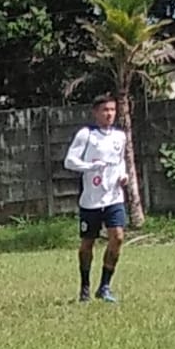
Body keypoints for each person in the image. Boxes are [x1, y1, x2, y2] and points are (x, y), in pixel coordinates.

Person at [63, 95, 128, 303]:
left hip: (114, 197)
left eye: (112, 110)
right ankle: (84, 287)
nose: (109, 114)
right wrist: (89, 167)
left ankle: (105, 286)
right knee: (87, 244)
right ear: (96, 112)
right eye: (105, 110)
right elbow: (69, 161)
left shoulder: (120, 136)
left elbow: (120, 161)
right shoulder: (87, 135)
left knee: (117, 237)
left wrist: (123, 175)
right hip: (91, 200)